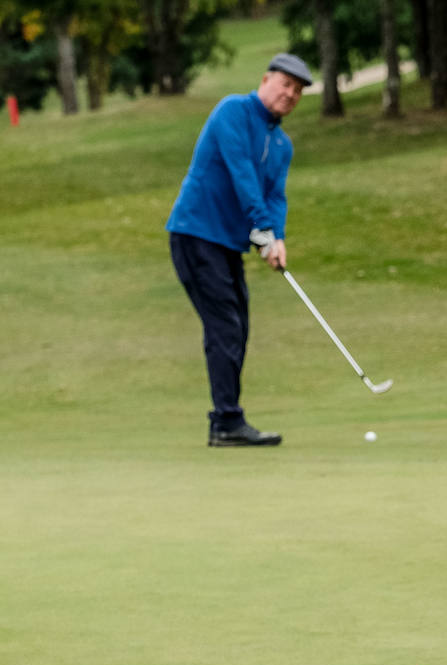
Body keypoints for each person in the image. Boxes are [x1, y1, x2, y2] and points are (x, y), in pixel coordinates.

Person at [166, 53, 313, 448]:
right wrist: (263, 231)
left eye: (298, 91)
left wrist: (276, 237)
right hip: (196, 233)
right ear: (266, 80)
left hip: (228, 244)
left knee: (238, 326)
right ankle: (226, 422)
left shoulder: (282, 144)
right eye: (286, 84)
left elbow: (274, 195)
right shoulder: (232, 111)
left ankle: (227, 420)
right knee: (225, 326)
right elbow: (242, 175)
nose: (291, 94)